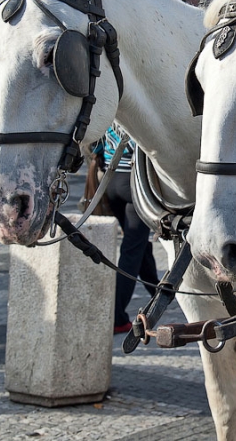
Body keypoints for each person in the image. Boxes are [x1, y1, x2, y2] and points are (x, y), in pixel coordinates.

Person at [93, 124, 159, 334]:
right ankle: (117, 317)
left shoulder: (110, 116)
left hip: (110, 182)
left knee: (138, 244)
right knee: (132, 250)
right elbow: (143, 147)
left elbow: (96, 147)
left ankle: (160, 292)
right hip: (132, 184)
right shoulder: (134, 115)